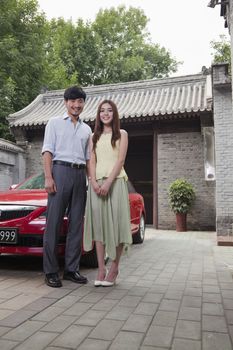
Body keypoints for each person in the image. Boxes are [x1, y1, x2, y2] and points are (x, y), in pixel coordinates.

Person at [42, 86, 91, 288]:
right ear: (66, 102)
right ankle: (51, 271)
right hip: (59, 172)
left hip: (80, 175)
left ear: (83, 104)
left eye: (80, 101)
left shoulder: (87, 129)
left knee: (76, 224)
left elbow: (89, 159)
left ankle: (71, 269)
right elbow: (47, 151)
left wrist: (91, 181)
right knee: (53, 223)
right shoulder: (54, 123)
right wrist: (48, 177)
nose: (76, 105)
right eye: (72, 101)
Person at [84, 99, 132, 287]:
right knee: (99, 227)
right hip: (96, 186)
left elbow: (120, 161)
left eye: (109, 110)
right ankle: (101, 269)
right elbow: (91, 162)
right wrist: (93, 182)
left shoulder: (122, 134)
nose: (105, 114)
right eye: (102, 111)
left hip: (117, 183)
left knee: (117, 226)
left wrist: (108, 183)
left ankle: (114, 267)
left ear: (114, 114)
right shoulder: (93, 137)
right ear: (98, 114)